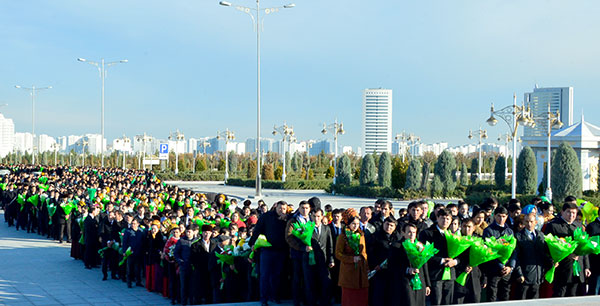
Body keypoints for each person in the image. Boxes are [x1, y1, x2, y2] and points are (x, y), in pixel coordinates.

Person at [543, 201, 591, 297]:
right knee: (560, 295)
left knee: (574, 296)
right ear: (562, 212)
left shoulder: (578, 226)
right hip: (562, 268)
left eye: (574, 213)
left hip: (577, 268)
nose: (571, 215)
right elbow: (546, 247)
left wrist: (586, 267)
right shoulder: (553, 226)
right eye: (568, 212)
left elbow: (584, 247)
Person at [249, 200, 289, 306]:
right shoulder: (266, 216)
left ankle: (274, 296)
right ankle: (264, 299)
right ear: (276, 207)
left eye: (284, 209)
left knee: (277, 276)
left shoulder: (287, 218)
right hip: (267, 251)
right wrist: (252, 243)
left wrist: (286, 219)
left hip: (280, 251)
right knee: (265, 276)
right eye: (280, 208)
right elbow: (257, 230)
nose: (282, 210)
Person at [419, 208, 456, 305]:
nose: (445, 221)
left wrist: (455, 262)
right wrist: (441, 260)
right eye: (443, 218)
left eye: (448, 219)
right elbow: (424, 255)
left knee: (448, 302)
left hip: (450, 275)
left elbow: (460, 255)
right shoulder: (427, 233)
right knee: (436, 302)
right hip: (435, 274)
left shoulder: (453, 235)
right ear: (437, 218)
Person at [388, 223, 431, 306]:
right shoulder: (396, 246)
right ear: (403, 233)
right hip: (405, 282)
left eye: (414, 232)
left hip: (419, 282)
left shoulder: (420, 246)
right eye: (409, 232)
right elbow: (392, 266)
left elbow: (425, 266)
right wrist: (407, 270)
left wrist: (427, 284)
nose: (412, 235)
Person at [514, 213, 551, 300]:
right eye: (526, 221)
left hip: (538, 275)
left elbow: (545, 254)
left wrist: (552, 262)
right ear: (523, 222)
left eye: (531, 221)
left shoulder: (540, 235)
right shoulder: (518, 236)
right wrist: (519, 273)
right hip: (524, 276)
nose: (529, 224)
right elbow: (516, 257)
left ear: (536, 222)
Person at [482, 206, 516, 302]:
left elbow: (513, 250)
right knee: (492, 297)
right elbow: (489, 251)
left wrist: (510, 267)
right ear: (494, 216)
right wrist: (501, 266)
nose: (501, 219)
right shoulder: (488, 230)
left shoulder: (509, 231)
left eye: (504, 216)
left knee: (505, 296)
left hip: (507, 271)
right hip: (494, 269)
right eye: (499, 216)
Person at [336, 208, 368, 306]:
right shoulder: (343, 236)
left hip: (361, 271)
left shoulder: (361, 235)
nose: (355, 226)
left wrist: (366, 267)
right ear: (348, 223)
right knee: (349, 298)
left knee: (361, 297)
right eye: (353, 223)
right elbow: (338, 254)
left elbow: (364, 252)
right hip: (348, 271)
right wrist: (351, 259)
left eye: (357, 224)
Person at [367, 216, 400, 306]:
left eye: (391, 226)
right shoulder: (376, 236)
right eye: (387, 224)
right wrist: (374, 265)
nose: (388, 227)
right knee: (379, 295)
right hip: (379, 270)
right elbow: (370, 253)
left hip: (393, 271)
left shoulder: (398, 237)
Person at [285, 200, 312, 306]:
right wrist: (301, 247)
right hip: (297, 254)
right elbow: (289, 237)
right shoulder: (293, 221)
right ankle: (296, 300)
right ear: (299, 208)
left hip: (310, 255)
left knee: (308, 278)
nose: (305, 210)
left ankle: (307, 299)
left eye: (306, 208)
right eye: (302, 208)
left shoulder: (312, 220)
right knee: (297, 278)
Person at [454, 220, 484, 303]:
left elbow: (483, 261)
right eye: (464, 226)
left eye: (469, 227)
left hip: (475, 278)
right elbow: (454, 258)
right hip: (460, 277)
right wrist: (463, 266)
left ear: (474, 228)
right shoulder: (456, 240)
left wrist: (484, 278)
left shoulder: (479, 240)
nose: (467, 229)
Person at [174, 226, 194, 305]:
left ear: (193, 232)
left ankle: (192, 301)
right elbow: (176, 253)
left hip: (193, 266)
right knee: (183, 286)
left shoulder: (196, 240)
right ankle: (183, 302)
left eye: (190, 232)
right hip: (184, 266)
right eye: (187, 232)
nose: (188, 233)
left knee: (192, 286)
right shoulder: (181, 241)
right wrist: (180, 261)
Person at [122, 218, 145, 288]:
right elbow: (124, 242)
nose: (133, 225)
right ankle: (129, 282)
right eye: (132, 223)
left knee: (138, 268)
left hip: (139, 252)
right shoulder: (128, 231)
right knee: (130, 268)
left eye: (134, 224)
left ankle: (139, 281)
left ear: (138, 224)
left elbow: (144, 241)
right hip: (130, 252)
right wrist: (124, 251)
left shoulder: (141, 231)